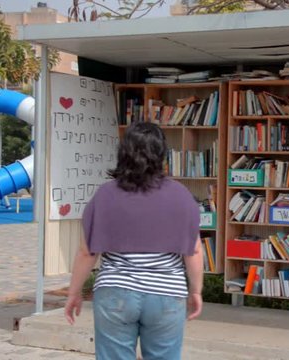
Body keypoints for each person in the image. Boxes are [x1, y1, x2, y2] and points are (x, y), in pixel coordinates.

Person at [64, 122, 203, 360]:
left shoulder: (105, 194)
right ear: (161, 154)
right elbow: (194, 251)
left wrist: (73, 293)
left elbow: (87, 252)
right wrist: (196, 291)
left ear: (123, 152)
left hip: (115, 292)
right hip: (166, 294)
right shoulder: (180, 195)